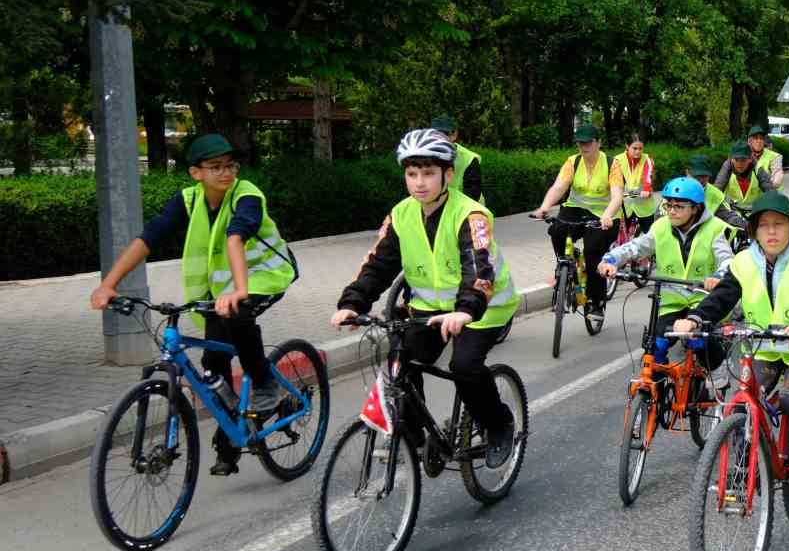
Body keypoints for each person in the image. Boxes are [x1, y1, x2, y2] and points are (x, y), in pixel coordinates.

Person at [90, 133, 297, 476]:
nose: (226, 173)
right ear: (195, 173)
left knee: (239, 316)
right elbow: (148, 238)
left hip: (263, 277)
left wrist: (241, 291)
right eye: (215, 167)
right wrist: (108, 285)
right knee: (213, 363)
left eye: (230, 166)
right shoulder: (188, 201)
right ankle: (232, 436)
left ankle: (266, 386)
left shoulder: (246, 195)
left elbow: (235, 237)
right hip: (218, 290)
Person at [332, 129, 516, 466]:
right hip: (428, 310)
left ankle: (498, 422)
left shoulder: (470, 214)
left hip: (484, 308)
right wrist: (352, 303)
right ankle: (412, 436)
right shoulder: (401, 214)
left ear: (448, 174)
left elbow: (479, 269)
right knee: (402, 360)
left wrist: (465, 310)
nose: (419, 182)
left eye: (429, 173)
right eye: (412, 173)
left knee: (464, 366)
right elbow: (379, 263)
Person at [674, 192, 789, 474]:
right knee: (742, 401)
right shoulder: (744, 262)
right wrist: (695, 318)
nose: (772, 231)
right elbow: (723, 296)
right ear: (754, 230)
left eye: (779, 224)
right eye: (764, 225)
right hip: (764, 345)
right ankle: (745, 468)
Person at [598, 176, 733, 377]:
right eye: (668, 205)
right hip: (671, 303)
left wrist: (717, 276)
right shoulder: (661, 227)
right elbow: (636, 247)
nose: (671, 210)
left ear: (696, 208)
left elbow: (728, 261)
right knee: (655, 347)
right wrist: (610, 259)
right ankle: (657, 398)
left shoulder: (715, 228)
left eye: (679, 206)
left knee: (696, 339)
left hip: (702, 301)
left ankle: (718, 372)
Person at [533, 123, 621, 316]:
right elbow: (559, 187)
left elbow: (617, 196)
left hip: (603, 215)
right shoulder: (573, 162)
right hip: (575, 209)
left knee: (593, 257)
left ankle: (596, 302)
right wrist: (544, 207)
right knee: (556, 229)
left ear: (598, 142)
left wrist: (607, 215)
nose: (583, 147)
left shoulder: (611, 163)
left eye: (588, 142)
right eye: (580, 143)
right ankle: (565, 262)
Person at [602, 132, 658, 235]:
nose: (638, 152)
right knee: (621, 239)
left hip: (644, 207)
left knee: (651, 237)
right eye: (634, 148)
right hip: (624, 207)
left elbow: (648, 178)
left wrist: (647, 189)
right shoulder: (617, 160)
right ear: (627, 146)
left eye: (640, 149)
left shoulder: (647, 159)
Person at [430, 115, 483, 202]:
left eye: (445, 134)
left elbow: (473, 195)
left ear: (454, 135)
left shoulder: (469, 159)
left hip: (469, 209)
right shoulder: (425, 156)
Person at [717, 140, 773, 217]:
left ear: (750, 159)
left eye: (743, 159)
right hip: (731, 213)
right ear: (732, 159)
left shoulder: (758, 168)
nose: (740, 163)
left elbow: (769, 189)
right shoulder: (726, 168)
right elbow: (717, 189)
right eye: (736, 159)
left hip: (755, 213)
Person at [746, 124, 784, 189]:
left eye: (761, 138)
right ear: (749, 141)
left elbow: (777, 172)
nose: (759, 141)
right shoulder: (743, 155)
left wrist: (774, 183)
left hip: (770, 194)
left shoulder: (775, 156)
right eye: (756, 138)